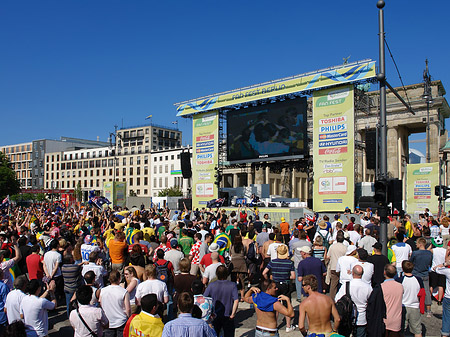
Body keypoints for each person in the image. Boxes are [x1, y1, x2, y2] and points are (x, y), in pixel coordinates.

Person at [262, 245, 296, 332]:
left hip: (275, 284)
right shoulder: (289, 263)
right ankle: (288, 326)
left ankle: (274, 324)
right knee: (287, 304)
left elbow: (264, 272)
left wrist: (268, 279)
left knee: (275, 304)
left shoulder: (273, 262)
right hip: (285, 284)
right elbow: (293, 276)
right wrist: (286, 276)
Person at [335, 265, 372, 337]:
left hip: (347, 318)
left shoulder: (346, 285)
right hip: (362, 319)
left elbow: (337, 299)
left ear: (352, 273)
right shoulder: (368, 287)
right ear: (362, 274)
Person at [204, 265, 239, 337]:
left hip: (215, 315)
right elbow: (236, 300)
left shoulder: (211, 285)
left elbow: (205, 298)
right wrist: (233, 314)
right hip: (228, 315)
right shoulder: (232, 285)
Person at [397, 260, 425, 337]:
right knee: (417, 330)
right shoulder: (418, 280)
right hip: (415, 306)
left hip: (403, 306)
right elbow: (422, 293)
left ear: (402, 269)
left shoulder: (400, 280)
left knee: (401, 330)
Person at [100, 270, 131, 337]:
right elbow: (128, 309)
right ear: (119, 278)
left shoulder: (102, 291)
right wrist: (129, 318)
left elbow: (101, 303)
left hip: (108, 321)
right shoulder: (124, 292)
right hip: (121, 321)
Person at [409, 237, 433, 316]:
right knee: (426, 291)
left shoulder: (415, 253)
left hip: (416, 274)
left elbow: (410, 262)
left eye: (417, 243)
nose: (415, 244)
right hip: (425, 274)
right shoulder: (429, 253)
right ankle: (428, 309)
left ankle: (416, 306)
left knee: (415, 291)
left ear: (420, 244)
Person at [381, 264, 404, 337]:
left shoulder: (381, 287)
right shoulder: (400, 286)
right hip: (396, 320)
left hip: (384, 320)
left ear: (384, 273)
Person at [432, 256, 450, 337]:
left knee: (446, 316)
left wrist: (445, 264)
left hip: (448, 297)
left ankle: (445, 333)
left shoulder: (447, 271)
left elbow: (434, 268)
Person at [327, 231, 347, 299]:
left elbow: (328, 256)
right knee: (342, 285)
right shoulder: (345, 247)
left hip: (333, 267)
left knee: (333, 285)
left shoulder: (332, 246)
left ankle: (332, 299)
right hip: (342, 268)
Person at [230, 235, 247, 300]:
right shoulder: (243, 246)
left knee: (233, 280)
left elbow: (230, 253)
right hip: (241, 263)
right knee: (242, 280)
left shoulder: (232, 246)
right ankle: (242, 296)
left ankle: (233, 296)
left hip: (234, 262)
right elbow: (245, 254)